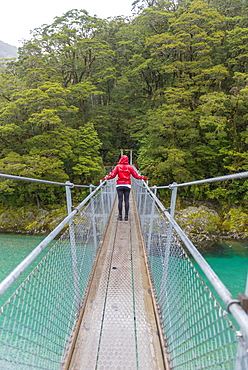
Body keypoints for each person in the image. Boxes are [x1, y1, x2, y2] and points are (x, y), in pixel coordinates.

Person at [102, 155, 148, 221]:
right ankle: (126, 216)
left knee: (120, 200)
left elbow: (112, 176)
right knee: (127, 200)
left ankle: (120, 216)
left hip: (119, 185)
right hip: (127, 185)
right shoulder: (130, 167)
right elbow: (136, 176)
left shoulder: (117, 167)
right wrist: (143, 177)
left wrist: (106, 178)